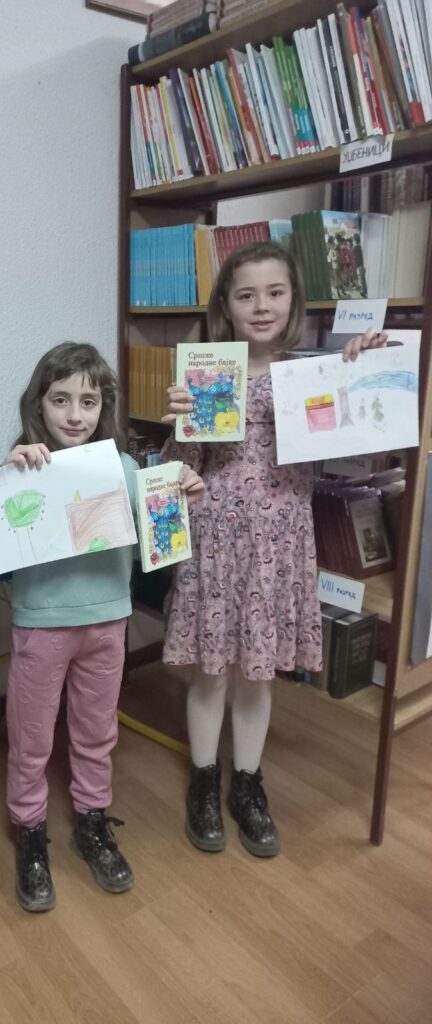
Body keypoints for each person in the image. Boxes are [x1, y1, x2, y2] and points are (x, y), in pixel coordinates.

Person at [160, 241, 386, 859]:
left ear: (293, 301)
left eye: (275, 293)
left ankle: (247, 784)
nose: (262, 306)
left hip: (280, 543)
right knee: (211, 670)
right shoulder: (210, 372)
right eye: (246, 295)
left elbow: (368, 434)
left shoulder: (315, 372)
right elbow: (182, 471)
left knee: (257, 673)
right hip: (216, 540)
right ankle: (204, 781)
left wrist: (363, 367)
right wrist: (179, 425)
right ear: (226, 307)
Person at [2, 341, 203, 911]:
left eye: (88, 402)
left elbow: (153, 543)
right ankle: (30, 830)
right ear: (39, 405)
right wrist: (10, 475)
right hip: (42, 625)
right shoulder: (23, 466)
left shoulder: (125, 469)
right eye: (60, 400)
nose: (74, 415)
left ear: (103, 407)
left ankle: (92, 820)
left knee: (96, 732)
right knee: (32, 738)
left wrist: (178, 496)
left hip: (108, 621)